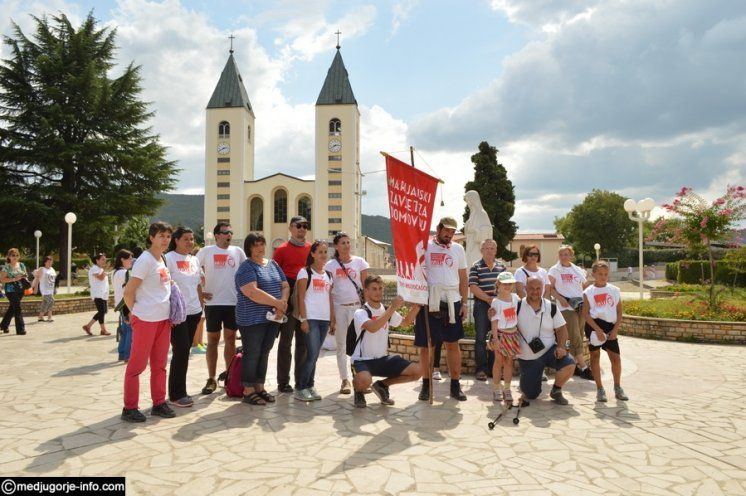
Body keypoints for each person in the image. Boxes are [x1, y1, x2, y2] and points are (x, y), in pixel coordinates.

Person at [121, 221, 175, 422]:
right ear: (152, 237)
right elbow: (129, 291)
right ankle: (130, 407)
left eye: (168, 236)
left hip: (163, 319)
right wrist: (136, 313)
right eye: (161, 236)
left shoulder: (162, 260)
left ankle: (159, 403)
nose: (165, 240)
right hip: (146, 320)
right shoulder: (145, 260)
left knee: (160, 365)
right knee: (137, 366)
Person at [415, 216, 469, 402]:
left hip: (452, 300)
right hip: (430, 300)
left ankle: (455, 385)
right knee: (426, 346)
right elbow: (416, 270)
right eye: (446, 230)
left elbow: (463, 277)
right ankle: (426, 384)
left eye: (452, 231)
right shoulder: (425, 246)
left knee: (453, 344)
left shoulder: (458, 249)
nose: (449, 234)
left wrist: (464, 303)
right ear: (438, 229)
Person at [235, 232, 289, 405]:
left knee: (264, 352)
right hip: (252, 319)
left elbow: (285, 285)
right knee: (252, 353)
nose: (259, 248)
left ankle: (259, 386)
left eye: (261, 244)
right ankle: (248, 390)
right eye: (255, 245)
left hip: (272, 318)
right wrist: (277, 303)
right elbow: (252, 292)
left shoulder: (272, 264)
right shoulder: (246, 267)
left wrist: (283, 303)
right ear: (248, 248)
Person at [351, 275, 420, 408]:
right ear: (366, 291)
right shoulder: (361, 312)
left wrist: (417, 307)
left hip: (382, 359)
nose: (378, 292)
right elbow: (373, 327)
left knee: (417, 372)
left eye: (380, 289)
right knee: (365, 380)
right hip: (362, 360)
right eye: (374, 289)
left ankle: (382, 386)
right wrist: (392, 308)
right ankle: (358, 391)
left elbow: (405, 323)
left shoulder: (386, 309)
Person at [196, 222, 246, 395]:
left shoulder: (238, 252)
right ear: (217, 235)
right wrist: (200, 292)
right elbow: (192, 271)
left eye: (230, 232)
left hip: (233, 303)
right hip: (213, 304)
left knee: (231, 340)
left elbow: (246, 272)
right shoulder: (206, 251)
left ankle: (230, 376)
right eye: (225, 232)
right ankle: (211, 378)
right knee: (213, 341)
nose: (229, 235)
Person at [515, 277, 576, 405]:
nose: (535, 291)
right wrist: (492, 313)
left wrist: (561, 347)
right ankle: (527, 377)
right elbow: (503, 320)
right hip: (528, 358)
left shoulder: (551, 307)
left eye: (538, 288)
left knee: (569, 363)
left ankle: (556, 390)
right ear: (525, 288)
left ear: (543, 289)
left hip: (549, 351)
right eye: (531, 288)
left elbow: (561, 329)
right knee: (531, 394)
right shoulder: (517, 306)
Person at [165, 227, 204, 407]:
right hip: (177, 314)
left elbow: (197, 285)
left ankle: (181, 390)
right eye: (186, 239)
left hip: (194, 312)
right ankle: (176, 394)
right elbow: (164, 286)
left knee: (185, 352)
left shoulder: (194, 260)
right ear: (176, 240)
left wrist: (201, 307)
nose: (190, 242)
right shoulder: (168, 258)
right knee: (180, 351)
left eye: (192, 238)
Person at [325, 232, 369, 394]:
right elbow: (328, 291)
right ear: (336, 246)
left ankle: (361, 378)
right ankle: (345, 380)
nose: (346, 245)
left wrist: (369, 309)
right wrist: (332, 316)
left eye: (348, 242)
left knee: (361, 345)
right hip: (340, 307)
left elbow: (366, 286)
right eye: (342, 243)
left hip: (357, 308)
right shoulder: (330, 266)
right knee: (341, 346)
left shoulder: (360, 262)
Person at [273, 216, 311, 393]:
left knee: (303, 343)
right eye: (298, 226)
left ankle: (301, 381)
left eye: (305, 226)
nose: (302, 229)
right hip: (288, 299)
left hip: (305, 298)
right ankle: (283, 382)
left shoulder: (311, 249)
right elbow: (275, 277)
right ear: (290, 228)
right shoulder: (281, 250)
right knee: (285, 342)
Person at [582, 261, 628, 402]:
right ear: (594, 274)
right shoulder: (588, 292)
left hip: (610, 326)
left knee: (616, 358)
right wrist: (597, 329)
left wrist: (615, 330)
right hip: (594, 325)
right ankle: (600, 389)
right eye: (600, 274)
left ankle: (617, 387)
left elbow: (619, 312)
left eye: (606, 274)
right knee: (595, 357)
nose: (603, 277)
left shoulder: (614, 290)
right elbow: (586, 314)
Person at [295, 240, 335, 401]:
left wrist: (332, 320)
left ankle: (310, 386)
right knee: (311, 354)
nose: (323, 255)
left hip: (324, 320)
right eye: (320, 252)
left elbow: (330, 298)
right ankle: (301, 387)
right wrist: (303, 319)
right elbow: (300, 297)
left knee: (315, 355)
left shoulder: (329, 275)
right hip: (310, 319)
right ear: (312, 254)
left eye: (325, 252)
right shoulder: (305, 272)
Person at [548, 245, 593, 380]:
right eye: (561, 254)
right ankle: (584, 368)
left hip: (579, 306)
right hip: (566, 308)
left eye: (566, 254)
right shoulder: (554, 270)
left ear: (571, 256)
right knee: (575, 337)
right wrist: (560, 298)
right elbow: (550, 288)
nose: (564, 257)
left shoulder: (577, 269)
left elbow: (584, 285)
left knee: (579, 334)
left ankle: (574, 366)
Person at [468, 239, 506, 381]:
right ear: (482, 250)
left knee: (497, 336)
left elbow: (506, 285)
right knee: (480, 338)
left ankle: (494, 369)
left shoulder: (502, 267)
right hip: (482, 305)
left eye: (492, 248)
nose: (489, 251)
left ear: (496, 251)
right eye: (486, 248)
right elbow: (473, 287)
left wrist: (497, 301)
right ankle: (481, 369)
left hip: (499, 306)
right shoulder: (476, 267)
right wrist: (489, 299)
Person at [488, 271, 521, 403]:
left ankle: (507, 389)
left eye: (510, 283)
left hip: (512, 334)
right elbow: (494, 321)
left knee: (509, 362)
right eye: (504, 283)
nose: (507, 286)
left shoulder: (515, 298)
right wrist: (495, 339)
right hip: (501, 335)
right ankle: (496, 388)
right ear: (498, 284)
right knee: (498, 361)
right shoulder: (496, 302)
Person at [112, 250, 134, 362]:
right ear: (122, 259)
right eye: (129, 258)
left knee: (125, 331)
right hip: (125, 304)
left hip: (120, 304)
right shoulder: (124, 273)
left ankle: (122, 354)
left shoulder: (115, 272)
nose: (131, 261)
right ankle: (127, 355)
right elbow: (128, 290)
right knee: (130, 330)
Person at [0, 248, 28, 335]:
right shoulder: (6, 267)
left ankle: (3, 325)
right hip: (10, 290)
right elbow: (2, 279)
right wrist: (15, 278)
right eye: (13, 255)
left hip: (20, 289)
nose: (15, 257)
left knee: (12, 308)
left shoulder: (22, 265)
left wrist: (24, 276)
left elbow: (25, 274)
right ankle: (20, 329)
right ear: (9, 257)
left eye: (17, 255)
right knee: (18, 307)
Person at [83, 253, 111, 336]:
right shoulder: (94, 269)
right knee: (102, 311)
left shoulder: (100, 269)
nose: (104, 261)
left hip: (103, 293)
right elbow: (101, 278)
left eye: (105, 259)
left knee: (104, 311)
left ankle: (88, 326)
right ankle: (103, 330)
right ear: (97, 260)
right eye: (102, 259)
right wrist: (105, 271)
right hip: (97, 293)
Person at [34, 256, 57, 322]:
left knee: (45, 303)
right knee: (51, 301)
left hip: (51, 289)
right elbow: (37, 279)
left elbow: (53, 279)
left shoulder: (52, 269)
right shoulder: (42, 269)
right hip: (44, 289)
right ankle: (49, 317)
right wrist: (35, 288)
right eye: (48, 261)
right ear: (45, 262)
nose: (50, 263)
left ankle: (40, 317)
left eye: (51, 261)